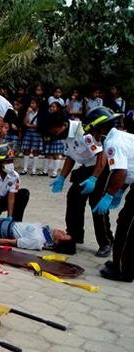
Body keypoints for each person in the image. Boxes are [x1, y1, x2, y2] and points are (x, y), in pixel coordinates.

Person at [47, 111, 113, 257]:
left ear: (64, 125)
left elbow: (101, 155)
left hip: (100, 168)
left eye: (56, 132)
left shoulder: (83, 131)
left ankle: (106, 243)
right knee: (73, 198)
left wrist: (94, 179)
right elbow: (70, 156)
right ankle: (74, 235)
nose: (55, 135)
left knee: (97, 204)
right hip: (85, 167)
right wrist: (62, 177)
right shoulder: (64, 135)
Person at [82, 107, 134, 281]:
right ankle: (120, 262)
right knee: (125, 222)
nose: (92, 137)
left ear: (100, 129)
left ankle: (124, 271)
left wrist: (109, 195)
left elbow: (121, 172)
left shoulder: (114, 143)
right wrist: (120, 191)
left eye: (92, 132)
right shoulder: (119, 137)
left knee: (127, 226)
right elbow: (129, 168)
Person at [21, 98, 44, 176]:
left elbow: (40, 125)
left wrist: (30, 125)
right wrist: (27, 113)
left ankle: (34, 170)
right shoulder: (28, 112)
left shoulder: (41, 113)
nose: (31, 105)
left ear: (37, 104)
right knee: (26, 150)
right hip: (28, 132)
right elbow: (24, 123)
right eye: (31, 103)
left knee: (36, 151)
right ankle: (25, 169)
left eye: (33, 103)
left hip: (37, 133)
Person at [41, 102, 65, 178]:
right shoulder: (48, 116)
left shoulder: (61, 116)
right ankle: (45, 171)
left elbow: (63, 127)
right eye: (51, 106)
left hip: (57, 137)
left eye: (53, 107)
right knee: (47, 154)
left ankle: (55, 172)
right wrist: (45, 136)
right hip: (48, 137)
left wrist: (56, 134)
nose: (51, 108)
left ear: (58, 108)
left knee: (56, 155)